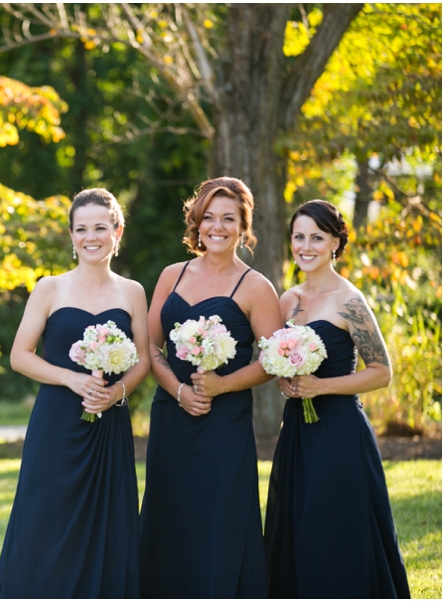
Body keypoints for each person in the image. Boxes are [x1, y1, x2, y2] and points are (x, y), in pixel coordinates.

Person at [0, 188, 151, 598]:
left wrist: (115, 393)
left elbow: (144, 361)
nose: (90, 237)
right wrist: (71, 378)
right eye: (82, 229)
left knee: (107, 523)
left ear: (118, 231)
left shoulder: (132, 291)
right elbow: (20, 356)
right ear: (71, 235)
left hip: (108, 425)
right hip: (57, 424)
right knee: (44, 519)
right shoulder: (50, 288)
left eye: (100, 227)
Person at [138, 177, 283, 598]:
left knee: (221, 516)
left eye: (228, 218)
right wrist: (178, 390)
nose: (216, 227)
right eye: (208, 218)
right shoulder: (171, 275)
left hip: (225, 420)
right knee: (169, 512)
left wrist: (221, 387)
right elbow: (149, 346)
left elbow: (271, 360)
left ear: (243, 226)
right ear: (196, 223)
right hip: (171, 416)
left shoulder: (256, 287)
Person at [265, 200, 411, 598]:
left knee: (335, 522)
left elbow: (382, 372)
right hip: (297, 428)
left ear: (335, 242)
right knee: (298, 519)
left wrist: (321, 387)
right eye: (299, 237)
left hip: (340, 430)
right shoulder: (287, 299)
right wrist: (286, 381)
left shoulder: (350, 301)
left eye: (316, 237)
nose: (305, 246)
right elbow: (280, 360)